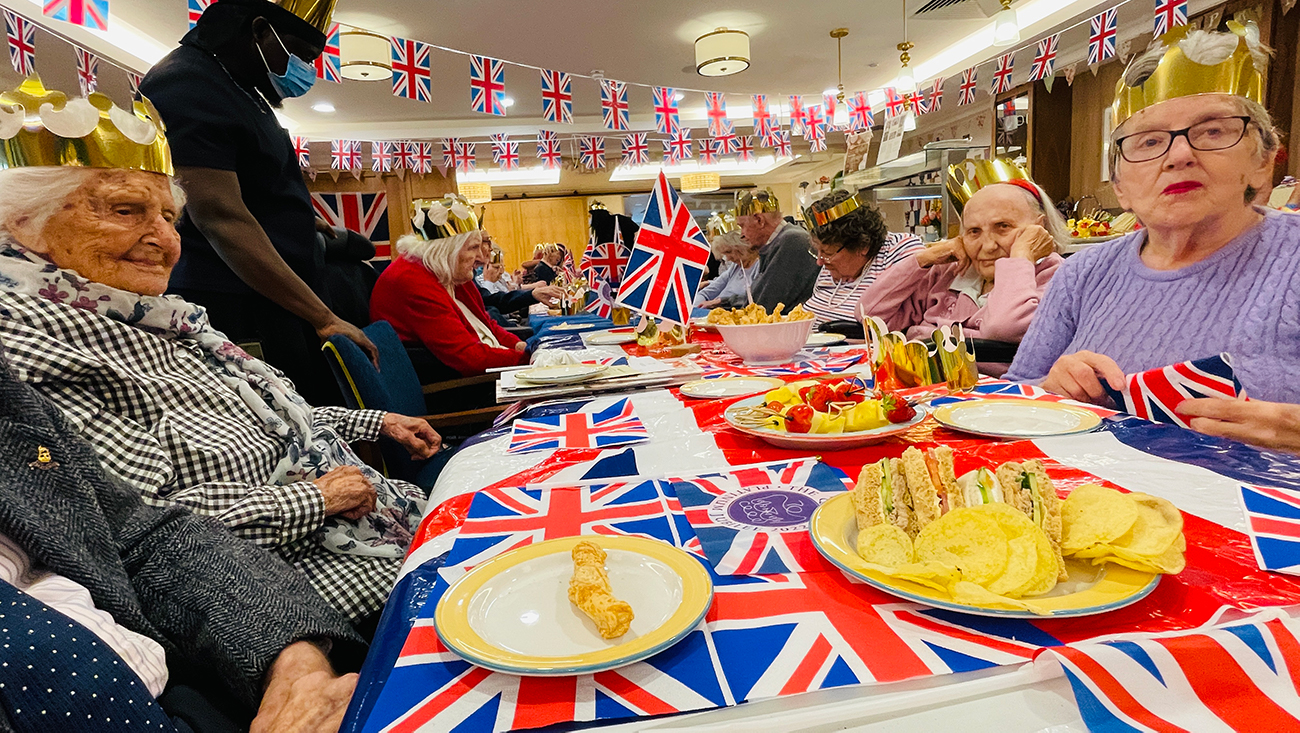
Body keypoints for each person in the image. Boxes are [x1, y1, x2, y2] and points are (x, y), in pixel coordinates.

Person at [0, 86, 438, 624]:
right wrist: (315, 499)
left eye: (168, 217)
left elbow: (269, 424)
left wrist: (376, 421)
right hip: (300, 581)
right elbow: (138, 525)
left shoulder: (156, 317)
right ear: (22, 222)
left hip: (377, 515)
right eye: (125, 210)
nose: (162, 238)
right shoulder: (33, 346)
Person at [0, 349, 366, 731]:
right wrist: (313, 498)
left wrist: (294, 665)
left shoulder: (183, 323)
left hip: (205, 665)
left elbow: (140, 533)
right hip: (295, 555)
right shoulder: (61, 340)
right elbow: (167, 500)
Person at [1005, 25, 1300, 454]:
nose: (1179, 155)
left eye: (1213, 131)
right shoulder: (1083, 274)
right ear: (1121, 188)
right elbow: (1012, 397)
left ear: (1263, 164)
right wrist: (1050, 389)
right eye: (1149, 142)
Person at [140, 0, 376, 407]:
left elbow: (255, 187)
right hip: (239, 305)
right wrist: (323, 317)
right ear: (260, 30)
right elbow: (220, 217)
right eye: (302, 55)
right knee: (287, 426)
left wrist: (302, 220)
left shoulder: (235, 86)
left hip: (271, 301)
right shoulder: (187, 84)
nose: (307, 70)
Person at [857, 179, 1066, 357]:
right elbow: (869, 315)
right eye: (974, 231)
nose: (988, 246)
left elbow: (1004, 328)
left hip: (993, 397)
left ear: (1040, 228)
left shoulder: (1056, 276)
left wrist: (1021, 257)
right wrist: (922, 259)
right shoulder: (951, 272)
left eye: (1003, 227)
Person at [370, 196, 530, 376]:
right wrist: (530, 361)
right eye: (473, 248)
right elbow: (468, 357)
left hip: (479, 370)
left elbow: (486, 324)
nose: (482, 258)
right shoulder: (412, 281)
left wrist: (520, 346)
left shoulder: (449, 272)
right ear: (447, 250)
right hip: (456, 383)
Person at [802, 189, 926, 324]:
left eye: (828, 253)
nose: (819, 262)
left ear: (862, 246)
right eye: (817, 251)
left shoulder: (898, 250)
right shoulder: (832, 266)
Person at [727, 188, 820, 310]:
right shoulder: (782, 240)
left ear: (759, 220)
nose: (742, 234)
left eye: (743, 226)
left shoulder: (792, 241)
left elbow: (764, 306)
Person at [694, 230, 758, 309]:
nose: (728, 258)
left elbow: (752, 298)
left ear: (742, 248)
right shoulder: (735, 267)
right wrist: (695, 307)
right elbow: (706, 293)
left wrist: (719, 302)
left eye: (729, 252)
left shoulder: (759, 267)